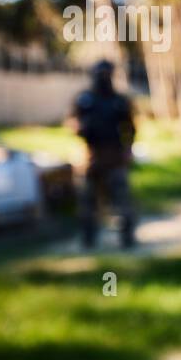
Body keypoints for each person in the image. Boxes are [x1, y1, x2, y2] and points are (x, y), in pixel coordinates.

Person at [72, 59, 136, 249]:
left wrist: (127, 150)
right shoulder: (85, 100)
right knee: (87, 202)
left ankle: (127, 239)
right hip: (91, 157)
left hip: (114, 157)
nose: (103, 78)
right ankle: (88, 239)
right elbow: (72, 121)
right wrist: (80, 129)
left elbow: (130, 128)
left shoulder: (119, 101)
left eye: (106, 74)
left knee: (122, 201)